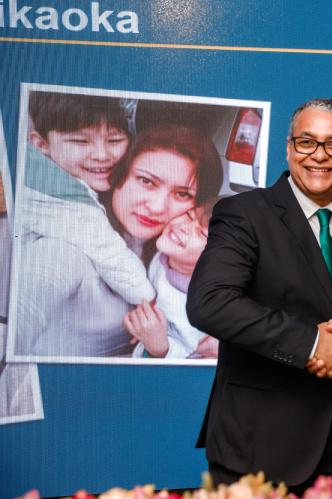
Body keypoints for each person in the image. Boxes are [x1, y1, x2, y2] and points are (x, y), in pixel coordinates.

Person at [187, 99, 332, 496]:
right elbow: (211, 301)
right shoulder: (244, 213)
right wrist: (313, 342)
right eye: (306, 142)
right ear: (288, 148)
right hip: (259, 443)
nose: (319, 155)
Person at [14, 122, 222, 358]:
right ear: (119, 173)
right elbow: (23, 313)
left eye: (182, 194)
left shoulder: (171, 257)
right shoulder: (68, 247)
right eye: (146, 181)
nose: (157, 206)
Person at [21, 91, 154, 307]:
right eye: (80, 141)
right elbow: (117, 264)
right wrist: (151, 303)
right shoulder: (62, 196)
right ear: (41, 144)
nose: (102, 155)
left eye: (115, 139)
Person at [126, 198, 220, 359]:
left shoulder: (203, 311)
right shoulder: (167, 254)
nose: (184, 227)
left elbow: (191, 357)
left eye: (203, 233)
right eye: (189, 215)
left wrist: (160, 348)